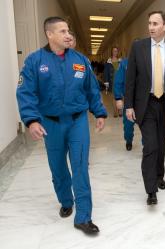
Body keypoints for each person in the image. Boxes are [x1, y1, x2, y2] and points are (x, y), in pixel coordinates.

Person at [16, 16, 107, 235]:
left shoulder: (80, 60)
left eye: (69, 31)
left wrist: (99, 112)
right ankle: (66, 200)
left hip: (77, 121)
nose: (68, 35)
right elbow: (26, 92)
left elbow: (91, 89)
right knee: (58, 167)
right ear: (50, 34)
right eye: (63, 31)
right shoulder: (34, 61)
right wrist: (32, 120)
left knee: (80, 166)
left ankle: (83, 216)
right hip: (51, 124)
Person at [125, 10, 165, 205]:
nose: (151, 27)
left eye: (155, 23)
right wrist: (128, 105)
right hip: (146, 104)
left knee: (161, 144)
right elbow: (130, 80)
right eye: (149, 23)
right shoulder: (138, 47)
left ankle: (159, 175)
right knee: (150, 146)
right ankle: (151, 190)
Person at [114, 58, 135, 151]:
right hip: (129, 99)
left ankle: (146, 144)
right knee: (128, 124)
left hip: (145, 99)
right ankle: (129, 140)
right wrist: (118, 98)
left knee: (147, 124)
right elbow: (118, 81)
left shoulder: (150, 59)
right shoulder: (124, 63)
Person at [104, 46, 121, 117]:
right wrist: (106, 81)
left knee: (120, 97)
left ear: (118, 52)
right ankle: (115, 112)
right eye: (114, 51)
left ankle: (120, 111)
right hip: (112, 81)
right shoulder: (108, 61)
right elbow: (106, 72)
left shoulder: (120, 61)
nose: (115, 52)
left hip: (120, 81)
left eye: (116, 51)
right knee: (114, 97)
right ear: (112, 52)